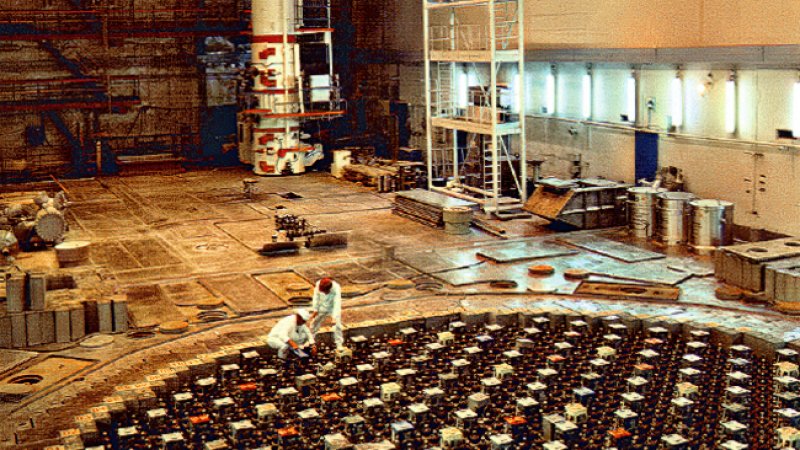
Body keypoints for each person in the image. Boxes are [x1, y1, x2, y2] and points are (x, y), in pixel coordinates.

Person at [310, 277, 343, 348]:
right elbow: (316, 297)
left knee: (338, 325)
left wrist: (334, 317)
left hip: (332, 307)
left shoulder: (336, 288)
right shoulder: (318, 284)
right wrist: (315, 309)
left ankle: (339, 343)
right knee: (314, 323)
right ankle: (311, 339)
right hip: (322, 306)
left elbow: (337, 303)